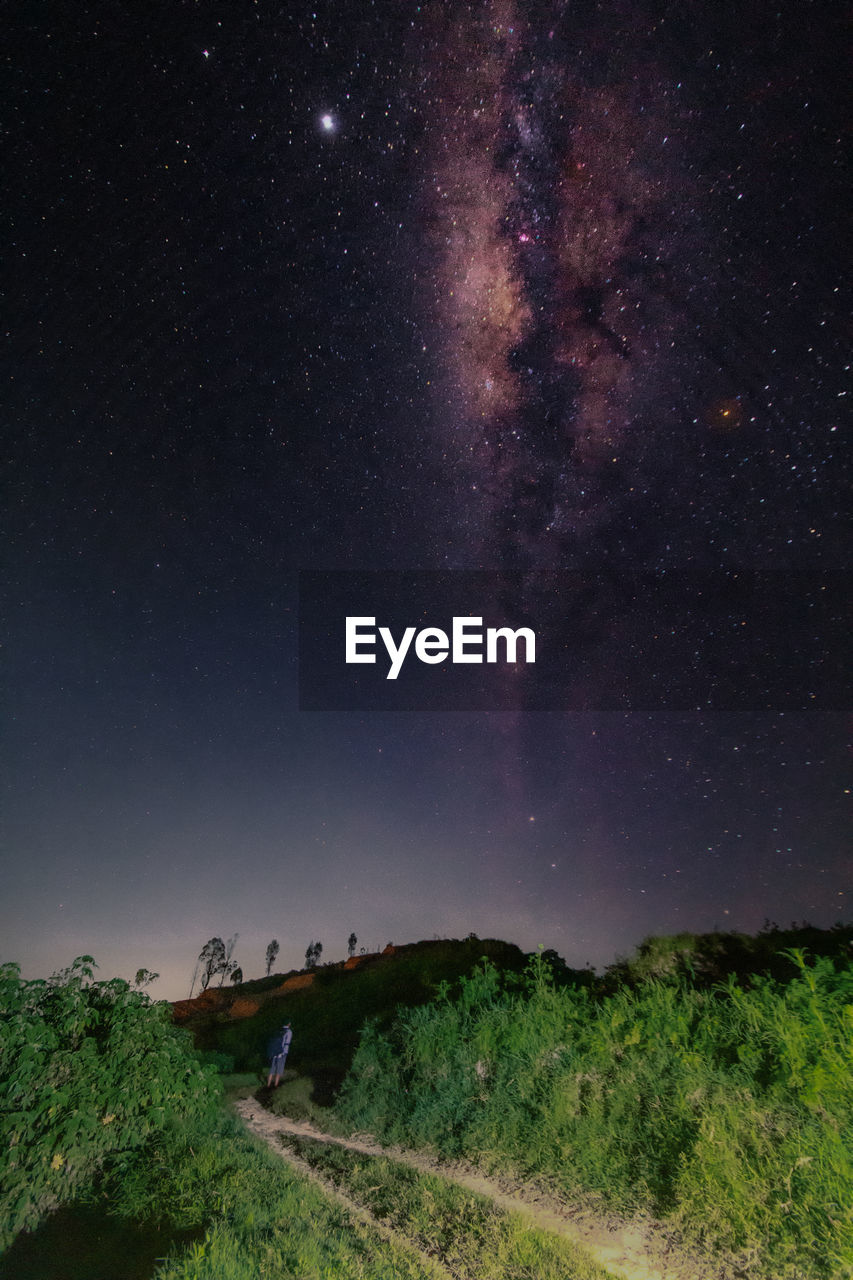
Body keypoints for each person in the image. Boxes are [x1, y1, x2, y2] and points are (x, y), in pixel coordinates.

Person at [266, 1022, 293, 1087]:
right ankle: (275, 1085)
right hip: (282, 1052)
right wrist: (283, 1052)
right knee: (279, 1069)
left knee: (272, 1069)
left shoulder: (278, 1030)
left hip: (274, 1052)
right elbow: (287, 1042)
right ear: (289, 1024)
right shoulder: (289, 1031)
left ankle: (268, 1084)